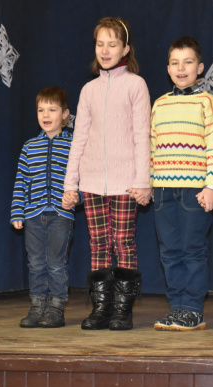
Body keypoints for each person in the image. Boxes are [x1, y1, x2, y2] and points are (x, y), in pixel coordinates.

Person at [62, 17, 151, 331]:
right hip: (91, 182)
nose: (105, 50)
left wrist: (143, 181)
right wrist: (70, 184)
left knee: (123, 242)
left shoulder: (136, 85)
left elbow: (142, 135)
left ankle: (122, 311)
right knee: (98, 244)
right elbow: (79, 139)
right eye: (100, 44)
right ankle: (101, 308)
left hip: (126, 182)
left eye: (112, 44)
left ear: (125, 49)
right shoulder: (89, 90)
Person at [150, 36, 213, 331]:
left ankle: (193, 309)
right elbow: (152, 146)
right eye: (175, 63)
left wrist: (212, 185)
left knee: (192, 250)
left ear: (200, 68)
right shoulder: (159, 103)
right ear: (168, 68)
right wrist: (149, 182)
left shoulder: (207, 102)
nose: (181, 69)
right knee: (169, 251)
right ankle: (177, 308)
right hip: (162, 190)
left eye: (188, 62)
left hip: (195, 190)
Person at [11, 86, 77, 328]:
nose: (46, 115)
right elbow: (21, 181)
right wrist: (17, 212)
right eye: (41, 110)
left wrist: (76, 196)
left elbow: (79, 178)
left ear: (65, 114)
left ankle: (56, 307)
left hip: (61, 214)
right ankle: (38, 305)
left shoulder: (73, 145)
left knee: (56, 263)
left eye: (52, 109)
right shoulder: (30, 146)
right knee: (36, 263)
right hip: (33, 215)